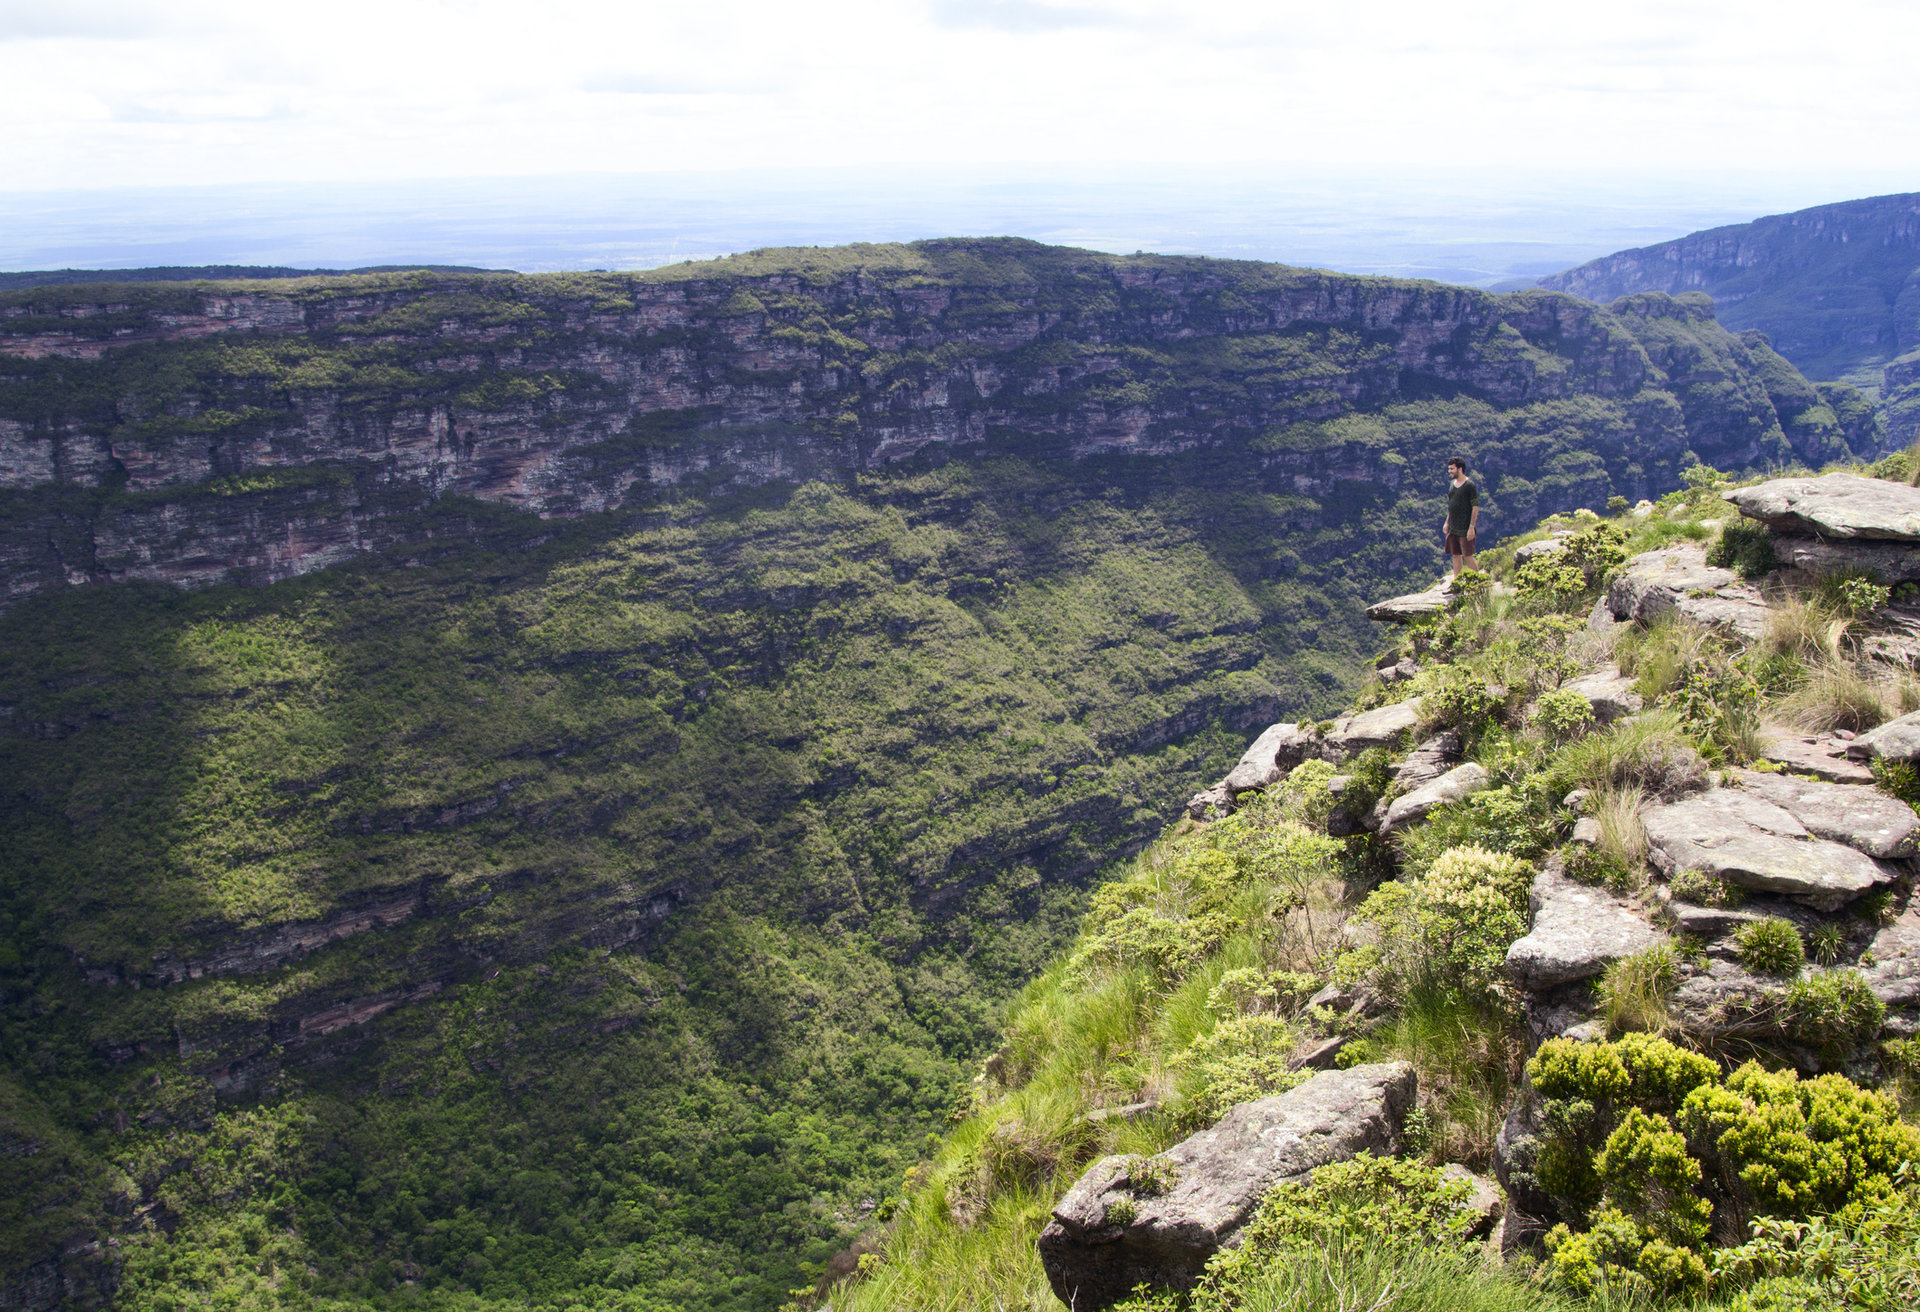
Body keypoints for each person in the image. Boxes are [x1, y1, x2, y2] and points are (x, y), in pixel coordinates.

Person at [1442, 456, 1480, 576]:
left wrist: (1471, 527)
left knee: (1467, 556)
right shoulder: (1452, 484)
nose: (1450, 471)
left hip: (1465, 528)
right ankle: (1456, 583)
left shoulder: (1469, 485)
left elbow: (1475, 507)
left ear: (1460, 469)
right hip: (1453, 527)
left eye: (1452, 469)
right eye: (1449, 469)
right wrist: (1447, 522)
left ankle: (1478, 581)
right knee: (1455, 555)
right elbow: (1451, 505)